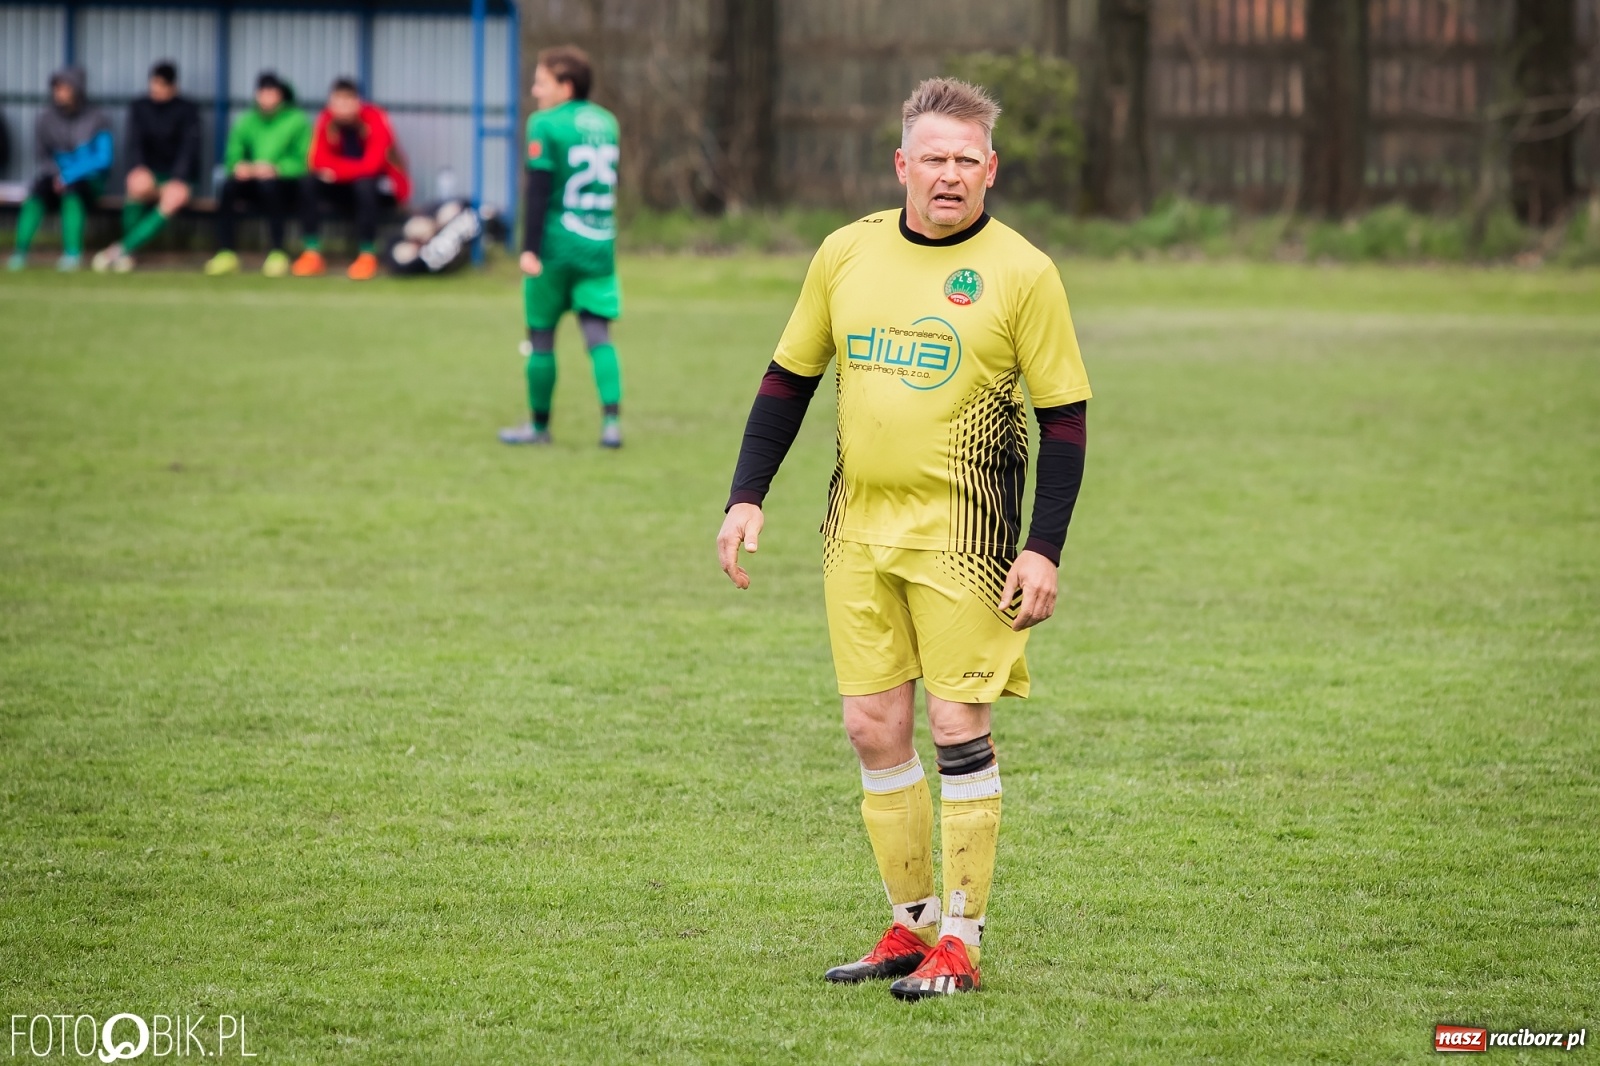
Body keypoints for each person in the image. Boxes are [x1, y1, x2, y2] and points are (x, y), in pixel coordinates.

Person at [715, 78, 1092, 1001]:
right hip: (857, 532)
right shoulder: (846, 254)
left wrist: (1044, 549)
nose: (952, 175)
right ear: (902, 166)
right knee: (871, 726)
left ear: (991, 170)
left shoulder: (1023, 272)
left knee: (959, 727)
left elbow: (1068, 421)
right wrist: (745, 496)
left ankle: (960, 939)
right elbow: (787, 379)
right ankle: (911, 922)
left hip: (969, 542)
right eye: (935, 158)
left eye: (969, 160)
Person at [498, 46, 625, 450]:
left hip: (555, 245)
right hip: (598, 245)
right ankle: (611, 424)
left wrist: (529, 248)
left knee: (541, 335)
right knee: (597, 334)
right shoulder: (607, 123)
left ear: (566, 86)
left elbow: (538, 190)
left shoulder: (544, 124)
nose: (535, 90)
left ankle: (538, 426)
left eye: (542, 82)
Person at [291, 77, 410, 281]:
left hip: (383, 189)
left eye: (347, 102)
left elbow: (372, 166)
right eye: (337, 102)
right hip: (345, 188)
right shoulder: (326, 119)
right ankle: (312, 254)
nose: (342, 108)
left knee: (365, 185)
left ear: (357, 102)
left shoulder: (376, 118)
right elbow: (317, 161)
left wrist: (336, 171)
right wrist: (341, 172)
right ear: (331, 103)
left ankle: (367, 255)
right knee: (308, 182)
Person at [92, 60, 201, 273]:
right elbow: (134, 143)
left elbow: (190, 149)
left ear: (173, 87)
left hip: (177, 177)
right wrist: (139, 167)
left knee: (173, 198)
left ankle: (121, 249)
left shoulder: (188, 110)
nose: (157, 90)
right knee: (136, 185)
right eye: (154, 84)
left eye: (162, 85)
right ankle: (128, 255)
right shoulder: (140, 107)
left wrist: (178, 179)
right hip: (150, 173)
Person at [204, 71, 311, 278]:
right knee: (228, 186)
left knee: (269, 186)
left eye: (272, 93)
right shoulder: (246, 121)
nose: (267, 98)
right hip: (253, 180)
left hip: (285, 183)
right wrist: (239, 166)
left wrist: (277, 168)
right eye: (263, 92)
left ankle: (278, 252)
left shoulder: (296, 120)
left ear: (281, 95)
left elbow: (304, 160)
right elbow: (232, 155)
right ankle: (226, 253)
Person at [7, 67, 112, 272]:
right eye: (57, 88)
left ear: (77, 89)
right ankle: (20, 252)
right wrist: (57, 175)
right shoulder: (45, 119)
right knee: (36, 193)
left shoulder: (97, 118)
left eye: (64, 88)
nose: (60, 93)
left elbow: (103, 158)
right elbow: (42, 156)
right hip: (55, 177)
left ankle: (73, 254)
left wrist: (69, 175)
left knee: (72, 192)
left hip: (87, 180)